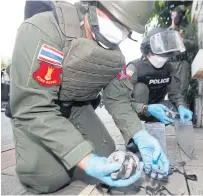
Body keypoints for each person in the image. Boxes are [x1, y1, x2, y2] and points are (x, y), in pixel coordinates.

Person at [9, 0, 170, 194]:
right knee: (49, 179)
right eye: (113, 18)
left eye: (127, 27)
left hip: (77, 108)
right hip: (40, 112)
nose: (119, 30)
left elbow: (118, 99)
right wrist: (85, 158)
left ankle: (71, 150)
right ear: (95, 4)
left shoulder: (115, 57)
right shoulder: (45, 29)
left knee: (110, 159)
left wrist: (140, 134)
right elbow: (33, 106)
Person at [126, 27, 193, 124]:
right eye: (159, 53)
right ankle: (135, 131)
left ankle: (153, 127)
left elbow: (175, 92)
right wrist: (144, 108)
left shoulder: (168, 68)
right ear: (148, 50)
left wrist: (181, 106)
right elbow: (121, 98)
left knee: (174, 110)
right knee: (141, 88)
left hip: (158, 107)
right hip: (136, 109)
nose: (163, 57)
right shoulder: (133, 68)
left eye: (166, 53)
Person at [169, 6, 198, 97]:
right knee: (170, 91)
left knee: (182, 92)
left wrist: (183, 41)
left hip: (182, 64)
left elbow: (195, 46)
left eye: (181, 14)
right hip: (169, 65)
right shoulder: (165, 32)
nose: (179, 16)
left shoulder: (186, 31)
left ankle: (183, 109)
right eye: (177, 13)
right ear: (172, 14)